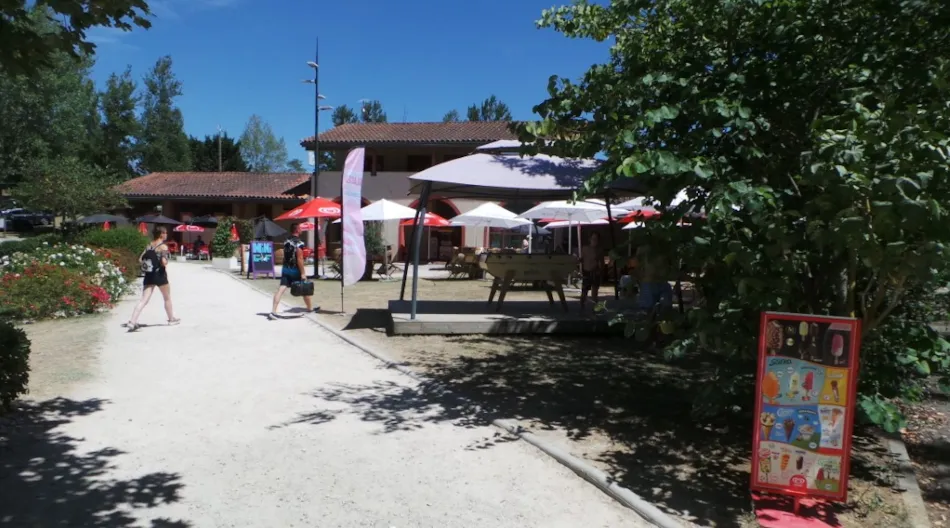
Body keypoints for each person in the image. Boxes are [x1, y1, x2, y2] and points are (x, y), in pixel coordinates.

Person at [126, 226, 179, 331]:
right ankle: (171, 319)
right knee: (167, 298)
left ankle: (132, 321)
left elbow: (140, 259)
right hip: (160, 275)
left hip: (149, 275)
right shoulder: (163, 247)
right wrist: (164, 261)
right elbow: (164, 262)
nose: (166, 235)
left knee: (143, 300)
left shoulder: (149, 245)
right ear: (161, 234)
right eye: (165, 233)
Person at [269, 223, 317, 319]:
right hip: (295, 270)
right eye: (300, 228)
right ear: (297, 230)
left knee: (281, 289)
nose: (302, 229)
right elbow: (299, 258)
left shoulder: (286, 241)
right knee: (305, 288)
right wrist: (303, 273)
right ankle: (310, 309)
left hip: (286, 268)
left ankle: (273, 311)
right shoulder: (299, 243)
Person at [635, 238, 674, 311]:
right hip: (649, 281)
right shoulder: (644, 248)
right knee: (647, 309)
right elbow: (638, 263)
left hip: (661, 281)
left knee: (666, 308)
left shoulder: (666, 247)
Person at [579, 232, 606, 311]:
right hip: (586, 272)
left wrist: (601, 272)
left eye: (596, 239)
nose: (594, 241)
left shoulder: (599, 250)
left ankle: (595, 309)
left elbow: (602, 262)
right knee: (584, 292)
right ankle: (582, 308)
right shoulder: (585, 248)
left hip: (595, 272)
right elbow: (581, 259)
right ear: (590, 239)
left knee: (594, 293)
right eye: (593, 239)